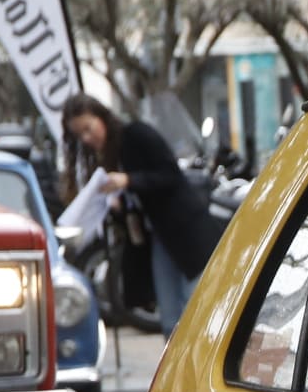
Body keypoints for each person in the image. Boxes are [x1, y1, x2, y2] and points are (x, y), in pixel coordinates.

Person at [61, 94, 219, 326]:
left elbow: (170, 175)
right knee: (170, 314)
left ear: (101, 117)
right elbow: (133, 203)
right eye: (79, 135)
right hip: (158, 238)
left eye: (88, 128)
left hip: (186, 232)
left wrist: (129, 180)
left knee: (195, 308)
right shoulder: (108, 156)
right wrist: (117, 205)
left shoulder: (136, 134)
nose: (86, 138)